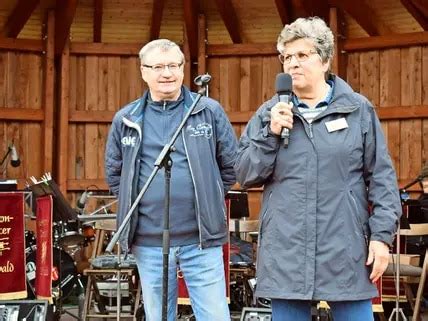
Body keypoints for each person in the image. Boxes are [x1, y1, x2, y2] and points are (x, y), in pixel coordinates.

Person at [234, 17, 402, 321]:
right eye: (287, 57)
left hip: (345, 246)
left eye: (302, 55)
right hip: (286, 248)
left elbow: (382, 178)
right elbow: (245, 174)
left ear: (325, 60)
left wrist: (381, 237)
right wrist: (270, 134)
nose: (292, 64)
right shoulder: (269, 113)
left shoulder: (357, 110)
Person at [105, 39, 237, 321]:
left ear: (183, 69)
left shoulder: (208, 111)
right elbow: (115, 175)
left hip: (201, 240)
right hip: (148, 242)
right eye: (158, 66)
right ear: (144, 71)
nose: (167, 73)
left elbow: (231, 166)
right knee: (159, 317)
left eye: (173, 66)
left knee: (215, 316)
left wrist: (208, 194)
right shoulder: (126, 118)